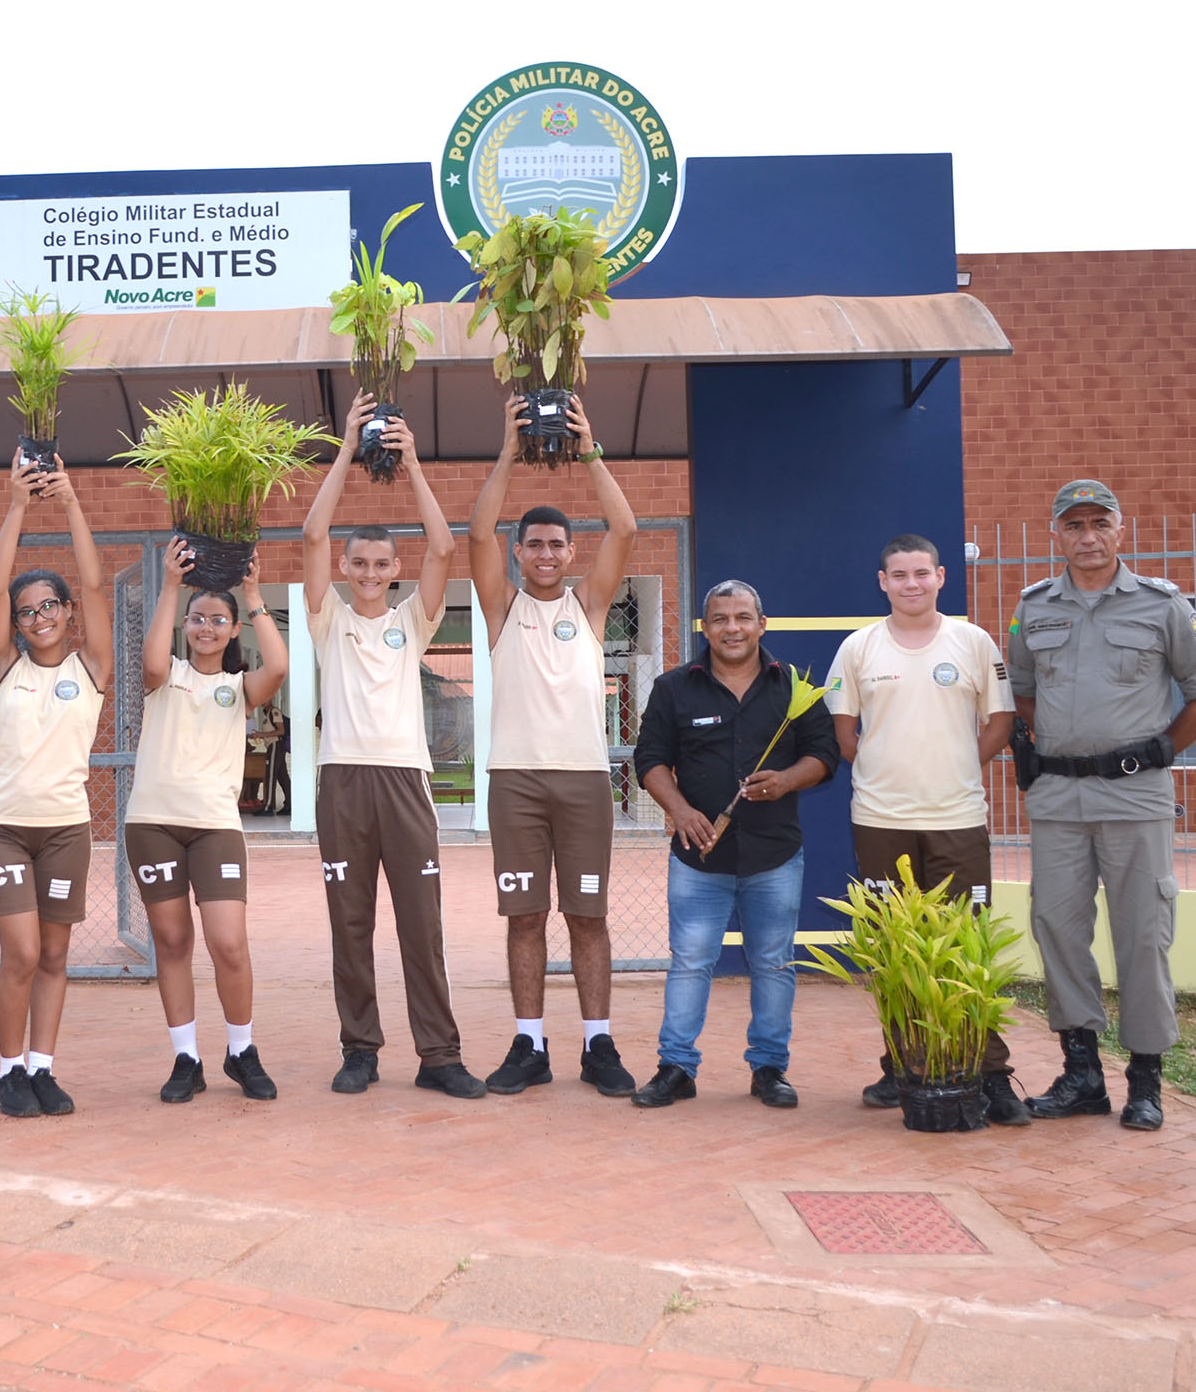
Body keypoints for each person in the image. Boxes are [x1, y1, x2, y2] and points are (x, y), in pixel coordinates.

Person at [1009, 480, 1196, 1131]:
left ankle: (1144, 1080)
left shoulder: (1162, 606)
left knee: (1141, 933)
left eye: (1099, 524)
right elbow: (1022, 692)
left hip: (1135, 796)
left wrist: (1154, 752)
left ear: (1120, 530)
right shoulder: (1033, 608)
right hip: (1057, 796)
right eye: (1073, 526)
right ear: (1056, 536)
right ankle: (1081, 1075)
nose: (1087, 537)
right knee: (1058, 928)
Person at [301, 390, 480, 1099]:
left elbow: (443, 545)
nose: (371, 573)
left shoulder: (414, 622)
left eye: (381, 565)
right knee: (350, 924)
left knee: (421, 925)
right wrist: (348, 447)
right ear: (347, 571)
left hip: (405, 782)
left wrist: (407, 464)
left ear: (393, 573)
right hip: (343, 781)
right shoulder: (327, 621)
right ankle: (360, 1049)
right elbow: (313, 536)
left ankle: (439, 1055)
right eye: (361, 564)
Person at [466, 393, 639, 1098]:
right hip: (515, 781)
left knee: (588, 915)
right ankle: (529, 1043)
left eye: (555, 544)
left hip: (582, 782)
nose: (544, 553)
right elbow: (477, 535)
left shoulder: (588, 607)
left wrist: (591, 445)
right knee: (525, 915)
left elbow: (623, 527)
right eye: (532, 544)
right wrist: (510, 449)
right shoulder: (501, 606)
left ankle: (598, 1045)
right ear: (520, 553)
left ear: (571, 553)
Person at [827, 533, 1023, 1124]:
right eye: (899, 575)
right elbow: (845, 736)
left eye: (922, 573)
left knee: (969, 950)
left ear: (941, 577)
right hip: (881, 821)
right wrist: (891, 773)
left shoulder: (973, 641)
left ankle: (989, 1073)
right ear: (882, 582)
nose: (911, 584)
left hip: (957, 819)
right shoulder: (858, 648)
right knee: (893, 950)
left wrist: (958, 764)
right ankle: (903, 1065)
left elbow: (1002, 720)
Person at [630, 581, 839, 1110]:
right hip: (699, 858)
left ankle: (769, 1068)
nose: (732, 628)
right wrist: (679, 811)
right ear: (706, 627)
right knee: (690, 961)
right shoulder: (675, 687)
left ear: (761, 624)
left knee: (772, 962)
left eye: (743, 617)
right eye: (720, 618)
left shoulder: (792, 687)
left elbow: (825, 754)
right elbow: (649, 759)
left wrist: (789, 780)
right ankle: (676, 1066)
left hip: (774, 855)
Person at [123, 542, 289, 1104]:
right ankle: (186, 1058)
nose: (207, 628)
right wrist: (171, 586)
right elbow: (148, 662)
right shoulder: (164, 675)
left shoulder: (238, 689)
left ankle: (241, 1050)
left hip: (215, 828)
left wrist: (254, 596)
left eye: (218, 621)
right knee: (171, 941)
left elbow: (281, 667)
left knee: (228, 943)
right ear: (185, 626)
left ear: (232, 628)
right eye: (198, 620)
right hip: (153, 825)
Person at [0, 454, 113, 1118]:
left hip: (65, 832)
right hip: (2, 826)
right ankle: (5, 1071)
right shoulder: (2, 666)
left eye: (49, 606)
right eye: (28, 612)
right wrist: (19, 506)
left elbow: (94, 584)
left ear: (65, 611)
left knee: (56, 953)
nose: (38, 618)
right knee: (22, 952)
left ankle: (41, 1068)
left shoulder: (91, 666)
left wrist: (71, 502)